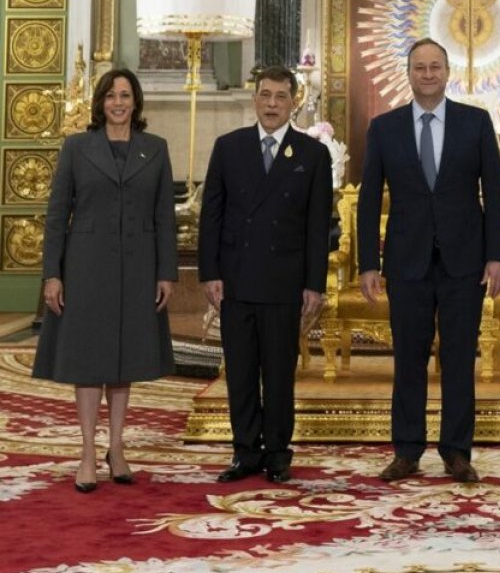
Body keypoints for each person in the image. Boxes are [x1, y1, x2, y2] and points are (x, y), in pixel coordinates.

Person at [357, 37, 500, 484]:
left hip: (465, 261)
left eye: (435, 67)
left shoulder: (475, 122)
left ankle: (457, 452)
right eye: (419, 67)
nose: (427, 74)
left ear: (448, 72)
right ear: (409, 74)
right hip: (406, 263)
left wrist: (497, 256)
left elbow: (495, 195)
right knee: (408, 358)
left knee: (460, 359)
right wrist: (368, 263)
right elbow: (369, 201)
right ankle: (406, 451)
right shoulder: (384, 128)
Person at [33, 67, 178, 492]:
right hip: (86, 268)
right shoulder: (77, 147)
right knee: (89, 359)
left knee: (124, 359)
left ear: (136, 103)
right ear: (101, 102)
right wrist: (52, 275)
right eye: (111, 95)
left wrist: (166, 272)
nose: (118, 102)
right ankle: (87, 453)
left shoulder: (156, 148)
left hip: (137, 269)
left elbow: (164, 217)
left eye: (126, 95)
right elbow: (58, 215)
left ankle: (117, 448)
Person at [198, 66, 333, 483]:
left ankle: (277, 452)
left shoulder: (312, 155)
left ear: (293, 102)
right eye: (265, 95)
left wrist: (315, 283)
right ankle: (245, 452)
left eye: (280, 96)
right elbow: (212, 217)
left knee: (278, 374)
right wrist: (209, 273)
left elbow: (318, 226)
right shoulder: (228, 147)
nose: (272, 103)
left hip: (285, 282)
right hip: (236, 280)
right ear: (254, 99)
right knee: (240, 371)